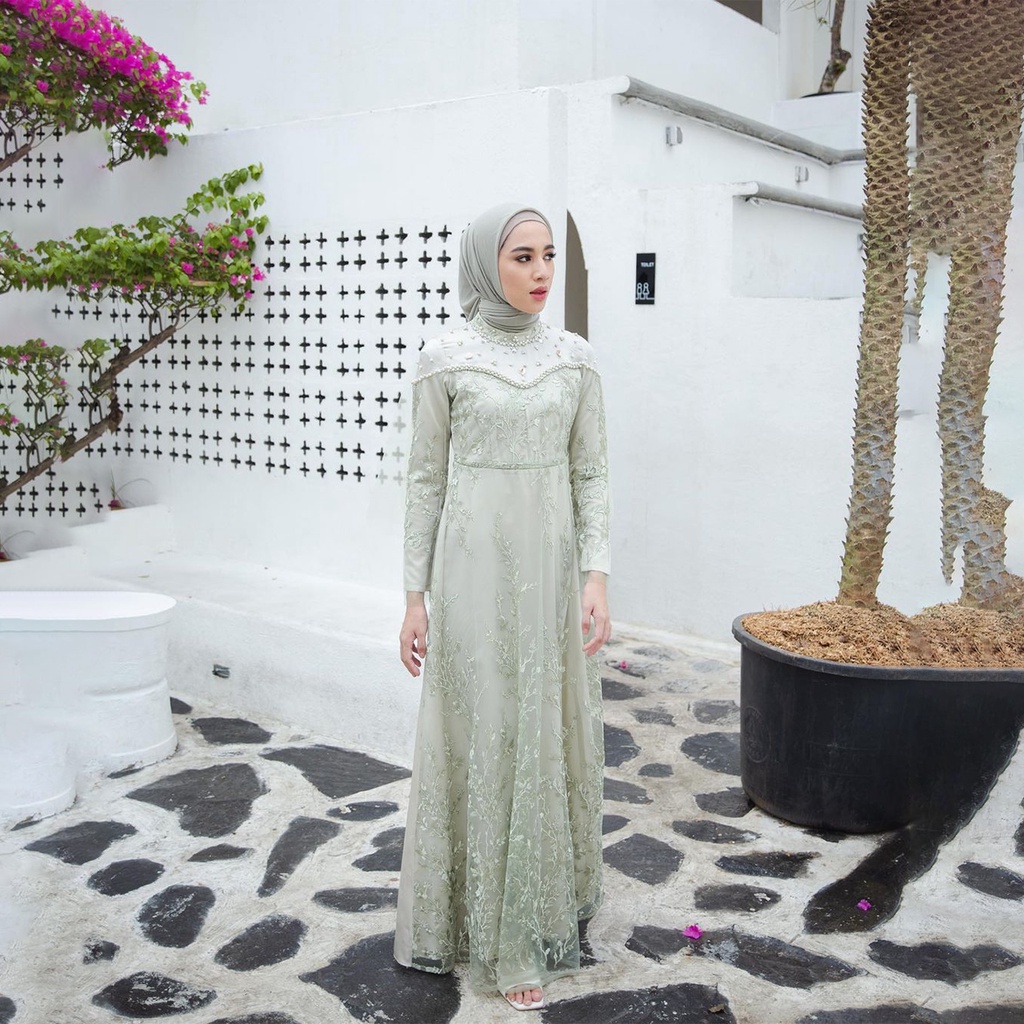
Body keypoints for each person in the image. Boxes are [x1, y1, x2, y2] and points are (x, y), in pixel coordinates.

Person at [394, 202, 611, 1012]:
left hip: (551, 580)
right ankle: (472, 919)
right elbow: (424, 481)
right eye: (522, 257)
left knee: (542, 729)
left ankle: (533, 920)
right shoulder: (444, 359)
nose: (541, 272)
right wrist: (413, 599)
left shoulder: (575, 359)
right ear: (488, 264)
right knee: (481, 730)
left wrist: (596, 577)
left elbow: (591, 473)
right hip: (469, 580)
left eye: (548, 255)